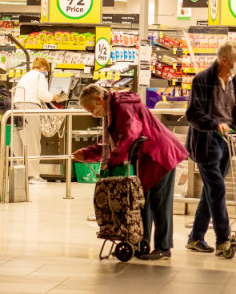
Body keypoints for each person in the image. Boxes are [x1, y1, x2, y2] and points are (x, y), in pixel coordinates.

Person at [73, 84, 189, 261]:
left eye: (91, 109)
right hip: (145, 158)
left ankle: (163, 247)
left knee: (160, 203)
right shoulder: (112, 111)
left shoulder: (123, 107)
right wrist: (87, 153)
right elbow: (111, 143)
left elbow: (129, 135)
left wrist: (112, 162)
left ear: (99, 99)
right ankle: (140, 243)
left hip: (159, 155)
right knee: (143, 202)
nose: (92, 114)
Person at [185, 39, 236, 256]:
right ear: (225, 60)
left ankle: (195, 237)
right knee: (218, 188)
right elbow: (193, 113)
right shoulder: (202, 80)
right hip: (206, 143)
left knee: (211, 190)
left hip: (229, 142)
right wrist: (215, 124)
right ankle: (223, 240)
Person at [13, 57, 53, 184]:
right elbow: (43, 95)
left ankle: (20, 174)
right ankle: (34, 175)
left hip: (16, 108)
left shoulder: (25, 76)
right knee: (32, 142)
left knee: (18, 143)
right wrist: (54, 96)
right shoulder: (39, 77)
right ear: (43, 69)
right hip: (30, 108)